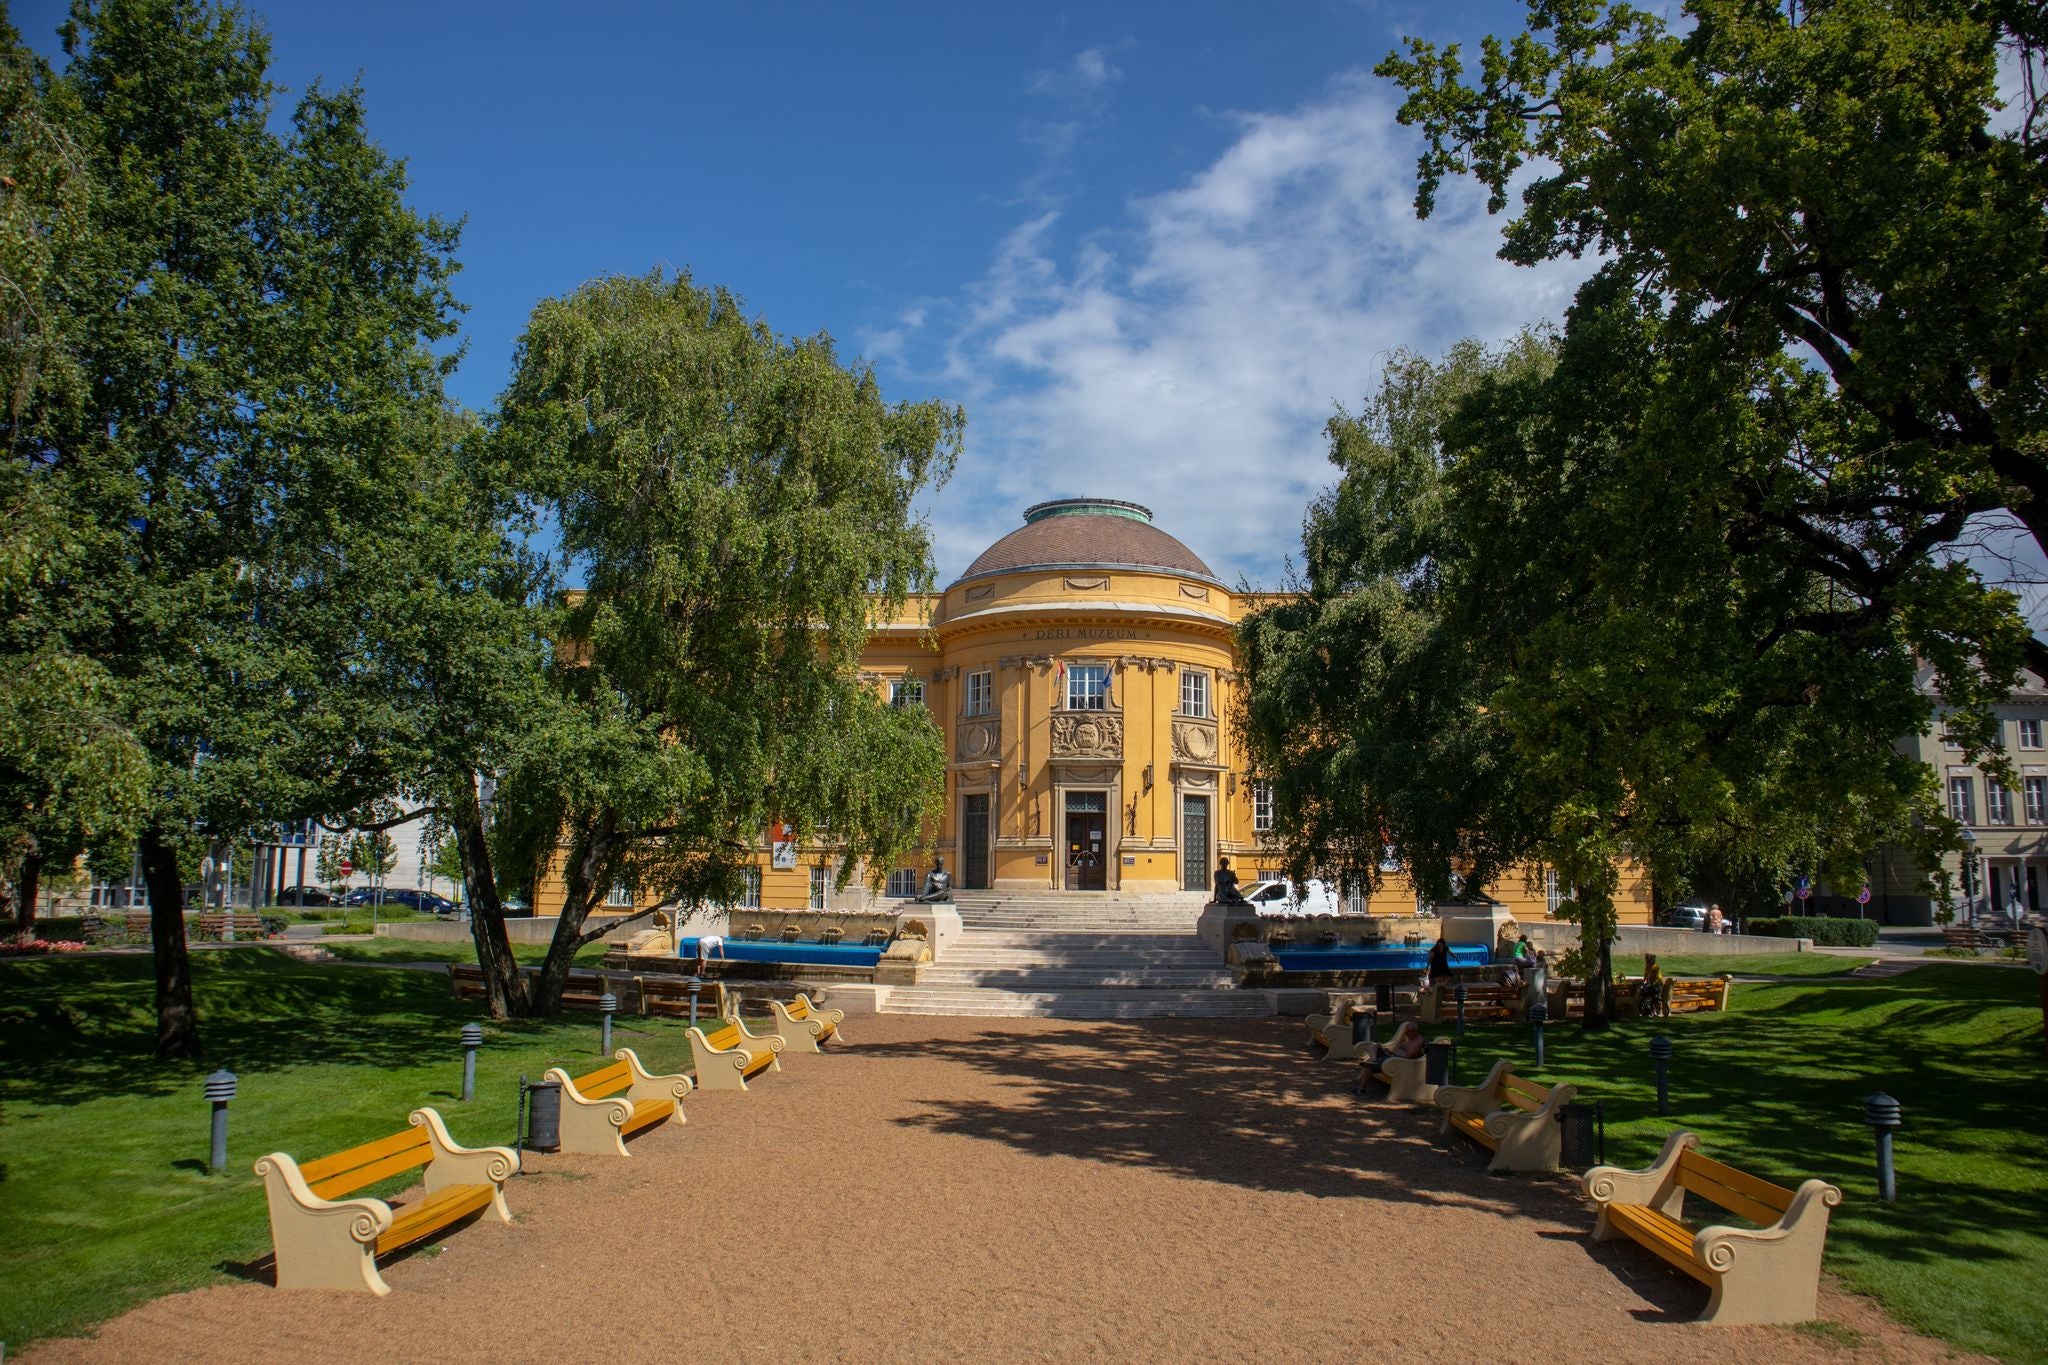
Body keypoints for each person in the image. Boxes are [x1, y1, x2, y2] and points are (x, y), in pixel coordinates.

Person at [1362, 1023, 1426, 1070]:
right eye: (1406, 1031)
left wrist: (1392, 1053)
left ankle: (1372, 1062)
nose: (1406, 1033)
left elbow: (1407, 1058)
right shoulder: (1410, 1040)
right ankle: (1373, 1061)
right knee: (1373, 1045)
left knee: (1369, 1064)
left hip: (1396, 1061)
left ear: (1415, 1031)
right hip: (1392, 1056)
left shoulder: (1417, 1042)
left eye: (1409, 1031)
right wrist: (1388, 1050)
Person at [1638, 953, 1667, 1018]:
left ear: (1650, 961)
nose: (1645, 961)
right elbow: (1645, 975)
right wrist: (1644, 982)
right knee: (1645, 994)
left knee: (1656, 996)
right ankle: (1649, 1011)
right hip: (1651, 983)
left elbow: (1652, 977)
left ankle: (1659, 1012)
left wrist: (1648, 983)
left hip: (1658, 983)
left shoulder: (1655, 967)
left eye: (1646, 960)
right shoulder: (1647, 966)